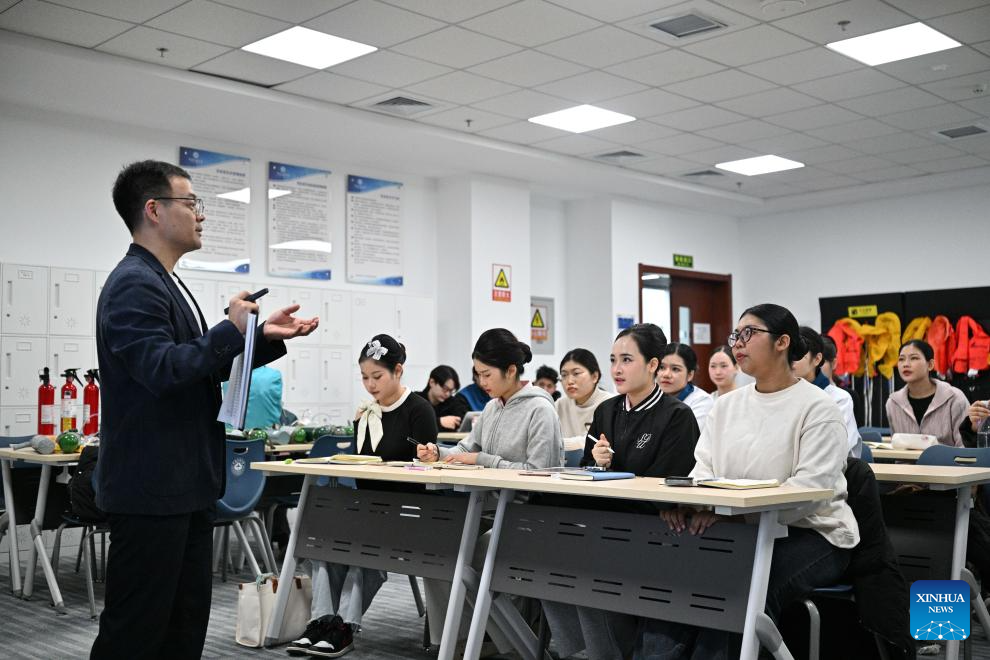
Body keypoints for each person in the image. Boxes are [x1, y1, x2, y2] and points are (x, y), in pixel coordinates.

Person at [91, 160, 318, 659]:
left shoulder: (165, 280)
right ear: (154, 210)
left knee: (183, 627)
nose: (201, 214)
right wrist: (230, 330)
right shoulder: (134, 283)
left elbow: (197, 369)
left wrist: (259, 338)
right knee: (135, 634)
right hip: (152, 491)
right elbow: (162, 369)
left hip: (185, 486)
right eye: (190, 202)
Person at [647, 304, 859, 659]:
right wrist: (694, 504)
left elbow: (809, 492)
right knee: (670, 577)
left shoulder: (818, 408)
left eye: (749, 333)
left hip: (813, 533)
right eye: (736, 335)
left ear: (782, 342)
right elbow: (703, 469)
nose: (738, 343)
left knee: (740, 588)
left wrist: (736, 515)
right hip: (739, 527)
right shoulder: (726, 406)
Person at [544, 324, 700, 660]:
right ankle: (581, 651)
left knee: (586, 566)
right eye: (613, 359)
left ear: (653, 364)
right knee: (547, 559)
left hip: (652, 528)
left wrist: (609, 473)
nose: (617, 368)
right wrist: (597, 462)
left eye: (627, 360)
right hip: (606, 521)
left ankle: (607, 651)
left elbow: (664, 487)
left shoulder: (677, 416)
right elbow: (587, 469)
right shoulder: (607, 410)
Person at [288, 334, 437, 658]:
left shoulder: (419, 410)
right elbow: (362, 467)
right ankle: (322, 621)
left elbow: (426, 471)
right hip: (369, 508)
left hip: (408, 510)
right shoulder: (366, 414)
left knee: (363, 547)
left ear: (398, 371)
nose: (370, 385)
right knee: (322, 539)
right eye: (365, 377)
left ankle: (344, 626)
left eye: (377, 377)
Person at [417, 328, 562, 650]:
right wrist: (438, 452)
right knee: (436, 551)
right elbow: (466, 449)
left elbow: (540, 474)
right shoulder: (493, 408)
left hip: (526, 515)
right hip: (488, 510)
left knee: (473, 552)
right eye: (478, 374)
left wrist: (483, 460)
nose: (481, 382)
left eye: (487, 374)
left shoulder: (540, 409)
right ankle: (455, 642)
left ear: (510, 370)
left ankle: (499, 639)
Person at [792, 327, 861, 457]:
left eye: (798, 355)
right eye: (787, 355)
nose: (791, 361)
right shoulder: (782, 394)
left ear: (817, 359)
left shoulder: (839, 399)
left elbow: (835, 449)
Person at [885, 340, 969, 446]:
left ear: (930, 365)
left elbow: (964, 447)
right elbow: (897, 446)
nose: (906, 364)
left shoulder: (954, 398)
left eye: (914, 358)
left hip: (947, 457)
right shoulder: (893, 403)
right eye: (901, 359)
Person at [555, 348, 612, 452]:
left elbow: (601, 442)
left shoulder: (610, 403)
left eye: (576, 373)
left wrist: (558, 443)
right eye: (564, 375)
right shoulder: (559, 405)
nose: (569, 381)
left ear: (594, 376)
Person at [658, 343, 714, 433]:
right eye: (661, 367)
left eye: (675, 369)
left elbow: (684, 436)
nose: (666, 374)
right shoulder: (650, 397)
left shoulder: (702, 401)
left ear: (690, 375)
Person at [415, 364, 470, 431]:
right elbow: (412, 425)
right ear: (432, 382)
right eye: (445, 389)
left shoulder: (454, 402)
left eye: (451, 391)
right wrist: (439, 422)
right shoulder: (415, 400)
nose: (447, 394)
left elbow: (462, 422)